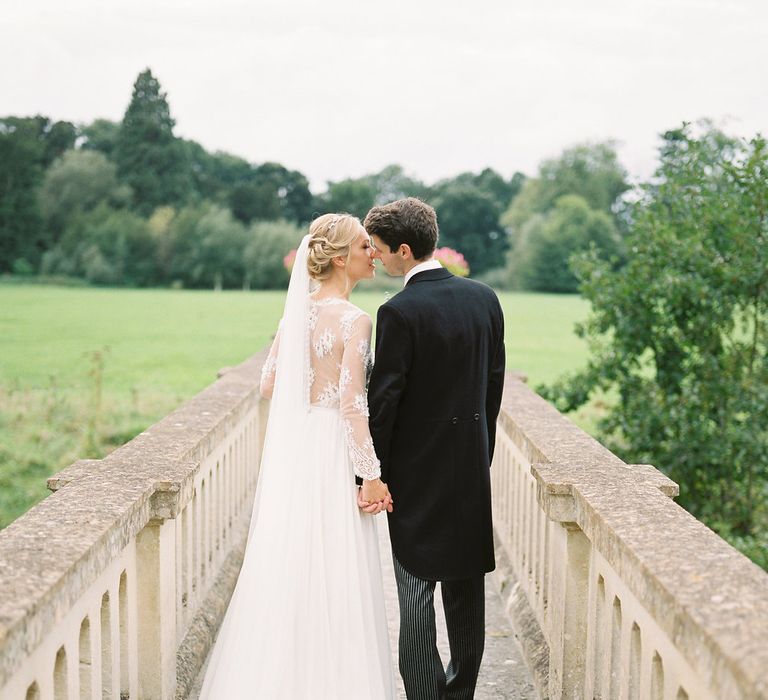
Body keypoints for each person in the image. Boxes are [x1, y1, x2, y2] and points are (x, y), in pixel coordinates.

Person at [199, 213, 396, 699]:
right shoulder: (355, 319)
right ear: (337, 257)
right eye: (362, 247)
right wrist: (370, 475)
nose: (372, 252)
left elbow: (268, 383)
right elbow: (353, 405)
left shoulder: (295, 313)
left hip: (300, 448)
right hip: (331, 451)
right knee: (337, 569)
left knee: (293, 561)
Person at [363, 198, 506, 700]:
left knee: (416, 593)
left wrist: (369, 472)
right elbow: (493, 387)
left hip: (415, 475)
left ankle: (425, 696)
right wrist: (478, 454)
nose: (375, 258)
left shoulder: (398, 311)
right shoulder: (485, 298)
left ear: (404, 250)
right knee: (466, 591)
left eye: (379, 249)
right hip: (469, 468)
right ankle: (460, 691)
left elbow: (385, 403)